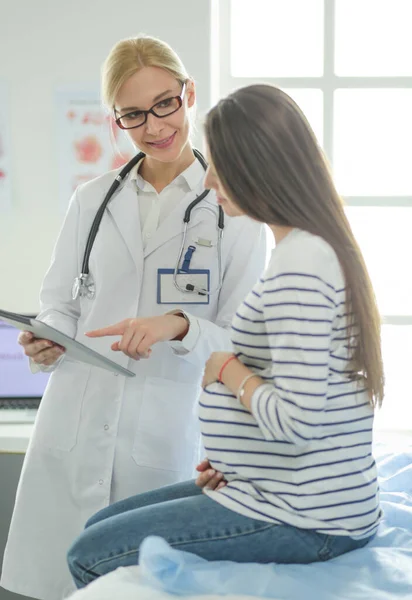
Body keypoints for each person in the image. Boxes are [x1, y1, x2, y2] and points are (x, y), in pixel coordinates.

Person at [66, 83, 385, 589]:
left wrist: (226, 369)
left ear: (260, 167)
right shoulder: (307, 248)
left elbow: (298, 421)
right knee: (96, 528)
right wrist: (240, 461)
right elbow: (309, 395)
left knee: (89, 553)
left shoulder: (302, 266)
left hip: (307, 517)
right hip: (277, 488)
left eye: (220, 165)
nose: (210, 180)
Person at [0, 37, 266, 600]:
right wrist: (47, 340)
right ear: (116, 119)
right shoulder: (92, 199)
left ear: (189, 94)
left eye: (165, 104)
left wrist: (180, 324)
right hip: (73, 423)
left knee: (147, 586)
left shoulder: (236, 210)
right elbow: (60, 303)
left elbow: (242, 342)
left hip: (167, 431)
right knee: (55, 583)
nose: (153, 126)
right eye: (133, 115)